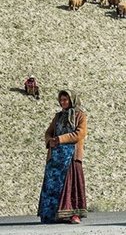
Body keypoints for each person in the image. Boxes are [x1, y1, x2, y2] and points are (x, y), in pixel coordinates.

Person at [38, 90, 88, 224]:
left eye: (65, 99)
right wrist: (50, 141)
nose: (63, 102)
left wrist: (60, 139)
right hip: (56, 157)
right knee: (53, 185)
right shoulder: (58, 116)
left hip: (71, 156)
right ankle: (52, 214)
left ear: (72, 100)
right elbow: (48, 133)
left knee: (71, 185)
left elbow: (79, 134)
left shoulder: (80, 116)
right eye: (61, 100)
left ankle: (73, 214)